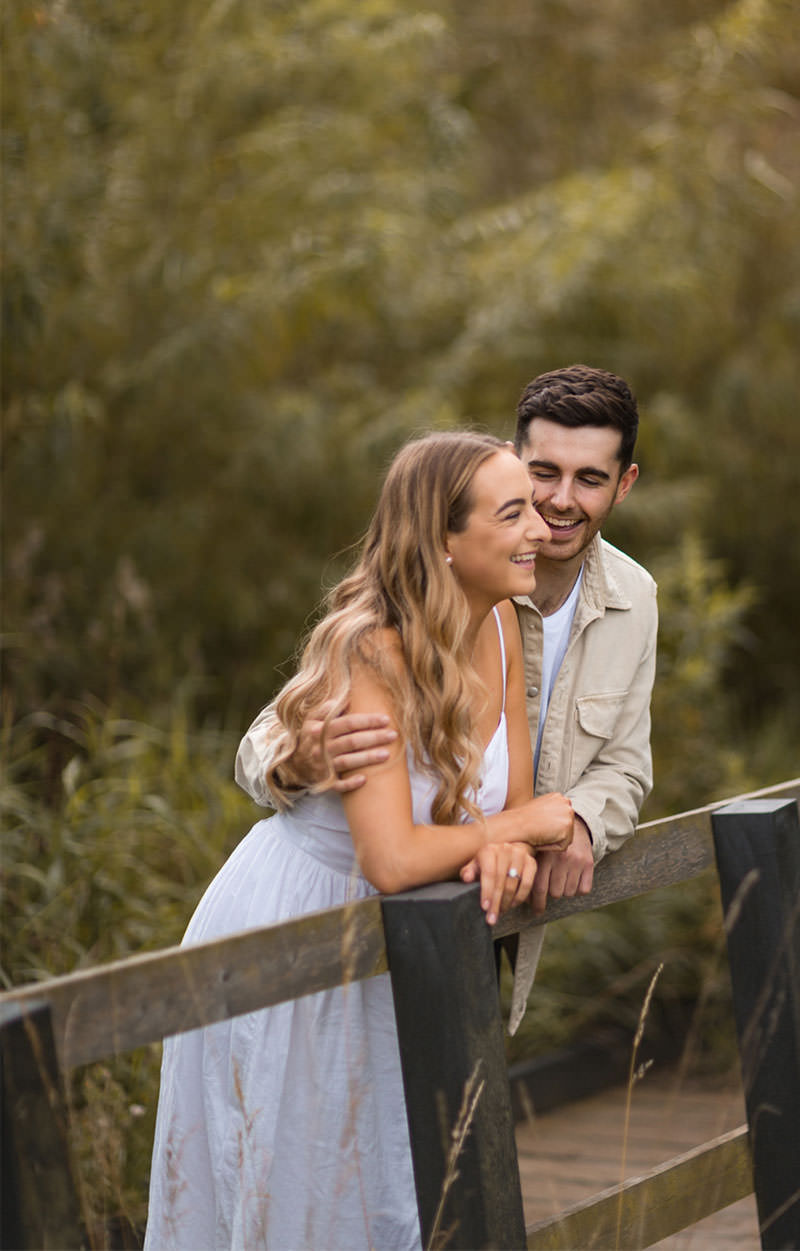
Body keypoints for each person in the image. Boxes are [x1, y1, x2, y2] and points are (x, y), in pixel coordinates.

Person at [144, 432, 574, 1251]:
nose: (538, 529)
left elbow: (508, 803)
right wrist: (515, 829)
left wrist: (505, 845)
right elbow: (393, 857)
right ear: (444, 541)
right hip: (307, 916)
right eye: (512, 512)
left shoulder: (505, 624)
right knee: (306, 1184)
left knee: (400, 1181)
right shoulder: (372, 648)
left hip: (406, 938)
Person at [236, 365, 658, 1025]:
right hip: (335, 916)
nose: (557, 504)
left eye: (590, 479)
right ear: (512, 463)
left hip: (476, 904)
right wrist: (301, 757)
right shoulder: (412, 601)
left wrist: (573, 823)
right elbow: (272, 735)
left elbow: (624, 764)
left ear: (623, 484)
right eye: (541, 475)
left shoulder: (629, 601)